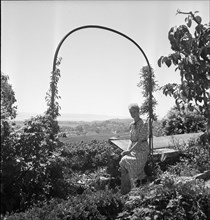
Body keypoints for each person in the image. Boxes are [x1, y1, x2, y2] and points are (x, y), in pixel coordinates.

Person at [119, 103, 149, 193]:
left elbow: (140, 141)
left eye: (134, 111)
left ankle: (134, 188)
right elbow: (131, 140)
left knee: (127, 161)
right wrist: (128, 150)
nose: (132, 114)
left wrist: (129, 151)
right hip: (133, 150)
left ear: (138, 111)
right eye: (131, 112)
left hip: (142, 150)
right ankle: (140, 182)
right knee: (124, 161)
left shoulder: (143, 124)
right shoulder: (131, 124)